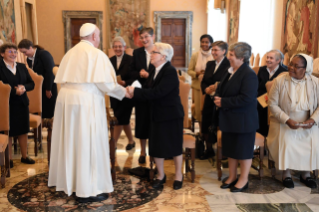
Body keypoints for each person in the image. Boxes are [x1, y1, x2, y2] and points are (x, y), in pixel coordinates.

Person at [48, 23, 127, 203]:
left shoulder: (70, 53)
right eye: (98, 36)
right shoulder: (96, 54)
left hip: (66, 101)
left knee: (71, 142)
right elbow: (105, 84)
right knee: (87, 143)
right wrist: (124, 92)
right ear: (93, 37)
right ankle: (87, 190)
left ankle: (71, 183)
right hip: (85, 102)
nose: (99, 40)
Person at [127, 42, 184, 190]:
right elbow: (147, 89)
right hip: (156, 114)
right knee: (156, 146)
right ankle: (161, 175)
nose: (151, 55)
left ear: (163, 56)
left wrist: (135, 92)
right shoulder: (153, 69)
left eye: (154, 53)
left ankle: (178, 175)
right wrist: (133, 93)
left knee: (174, 146)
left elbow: (158, 92)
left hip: (170, 115)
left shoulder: (170, 71)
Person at [267, 53, 319, 189]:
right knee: (286, 140)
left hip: (308, 121)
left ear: (305, 69)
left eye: (296, 66)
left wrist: (313, 120)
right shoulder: (280, 81)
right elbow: (272, 104)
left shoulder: (315, 82)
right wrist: (287, 120)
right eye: (291, 64)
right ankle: (287, 174)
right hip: (284, 121)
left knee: (312, 141)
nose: (291, 68)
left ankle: (306, 175)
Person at [214, 42, 258, 192]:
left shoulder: (249, 75)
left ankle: (243, 179)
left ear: (242, 57)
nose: (228, 57)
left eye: (231, 55)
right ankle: (232, 176)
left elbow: (247, 98)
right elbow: (221, 88)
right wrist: (217, 96)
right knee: (231, 149)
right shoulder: (230, 71)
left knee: (243, 151)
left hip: (244, 120)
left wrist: (223, 102)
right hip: (229, 118)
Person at [0, 43, 35, 165]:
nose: (13, 54)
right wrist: (14, 91)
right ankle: (8, 159)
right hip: (6, 105)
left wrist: (24, 87)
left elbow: (32, 84)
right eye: (10, 52)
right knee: (8, 131)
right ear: (2, 53)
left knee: (23, 130)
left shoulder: (21, 66)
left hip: (22, 103)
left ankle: (25, 156)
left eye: (15, 52)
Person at [129, 27, 155, 164]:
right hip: (141, 92)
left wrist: (149, 74)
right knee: (141, 123)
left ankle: (154, 152)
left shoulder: (159, 51)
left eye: (147, 37)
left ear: (153, 36)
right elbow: (131, 72)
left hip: (155, 93)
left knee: (154, 122)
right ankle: (143, 152)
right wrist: (140, 74)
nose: (144, 40)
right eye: (142, 37)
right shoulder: (137, 52)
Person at [200, 41, 230, 160]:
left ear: (224, 51)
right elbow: (204, 81)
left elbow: (226, 82)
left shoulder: (229, 64)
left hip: (221, 98)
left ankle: (224, 150)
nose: (213, 52)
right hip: (209, 98)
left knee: (220, 123)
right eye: (212, 50)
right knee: (206, 122)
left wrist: (214, 89)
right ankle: (209, 149)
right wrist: (206, 89)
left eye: (216, 50)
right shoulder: (210, 63)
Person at [18, 39, 57, 119]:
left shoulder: (43, 54)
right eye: (22, 53)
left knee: (48, 113)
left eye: (25, 52)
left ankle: (49, 128)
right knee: (40, 112)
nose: (24, 54)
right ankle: (40, 128)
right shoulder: (28, 59)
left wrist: (48, 89)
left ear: (30, 48)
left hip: (48, 87)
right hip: (39, 89)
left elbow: (50, 72)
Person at [109, 36, 135, 149]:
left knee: (119, 119)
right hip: (114, 94)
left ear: (124, 47)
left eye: (120, 46)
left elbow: (135, 77)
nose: (118, 48)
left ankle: (113, 143)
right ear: (113, 48)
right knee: (124, 120)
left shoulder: (131, 60)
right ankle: (131, 141)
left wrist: (125, 82)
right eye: (115, 46)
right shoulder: (110, 61)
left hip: (127, 94)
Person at [257, 50, 287, 137]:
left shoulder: (284, 71)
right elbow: (257, 86)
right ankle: (260, 138)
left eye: (271, 58)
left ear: (278, 60)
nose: (268, 60)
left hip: (275, 100)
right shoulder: (262, 69)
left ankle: (268, 138)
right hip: (260, 100)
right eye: (267, 57)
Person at [188, 34, 214, 127]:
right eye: (202, 42)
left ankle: (209, 130)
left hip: (211, 86)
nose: (204, 44)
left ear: (211, 43)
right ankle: (201, 130)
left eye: (206, 42)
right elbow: (189, 70)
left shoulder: (214, 54)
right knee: (199, 109)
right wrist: (197, 74)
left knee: (210, 109)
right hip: (198, 86)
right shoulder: (195, 55)